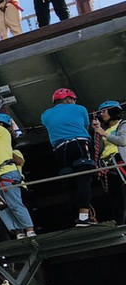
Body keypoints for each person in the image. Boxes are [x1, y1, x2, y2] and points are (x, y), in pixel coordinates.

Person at [40, 88, 95, 227]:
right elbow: (86, 126)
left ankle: (76, 216)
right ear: (68, 99)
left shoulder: (45, 115)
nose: (74, 103)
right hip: (79, 144)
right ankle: (84, 217)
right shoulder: (80, 109)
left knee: (71, 183)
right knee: (84, 179)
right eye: (73, 100)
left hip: (60, 150)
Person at [93, 100, 126, 225]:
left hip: (120, 161)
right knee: (117, 196)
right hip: (109, 165)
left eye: (104, 111)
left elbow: (123, 141)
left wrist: (103, 133)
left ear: (113, 111)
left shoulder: (123, 124)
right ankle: (119, 222)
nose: (102, 114)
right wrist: (98, 130)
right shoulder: (105, 130)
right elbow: (99, 149)